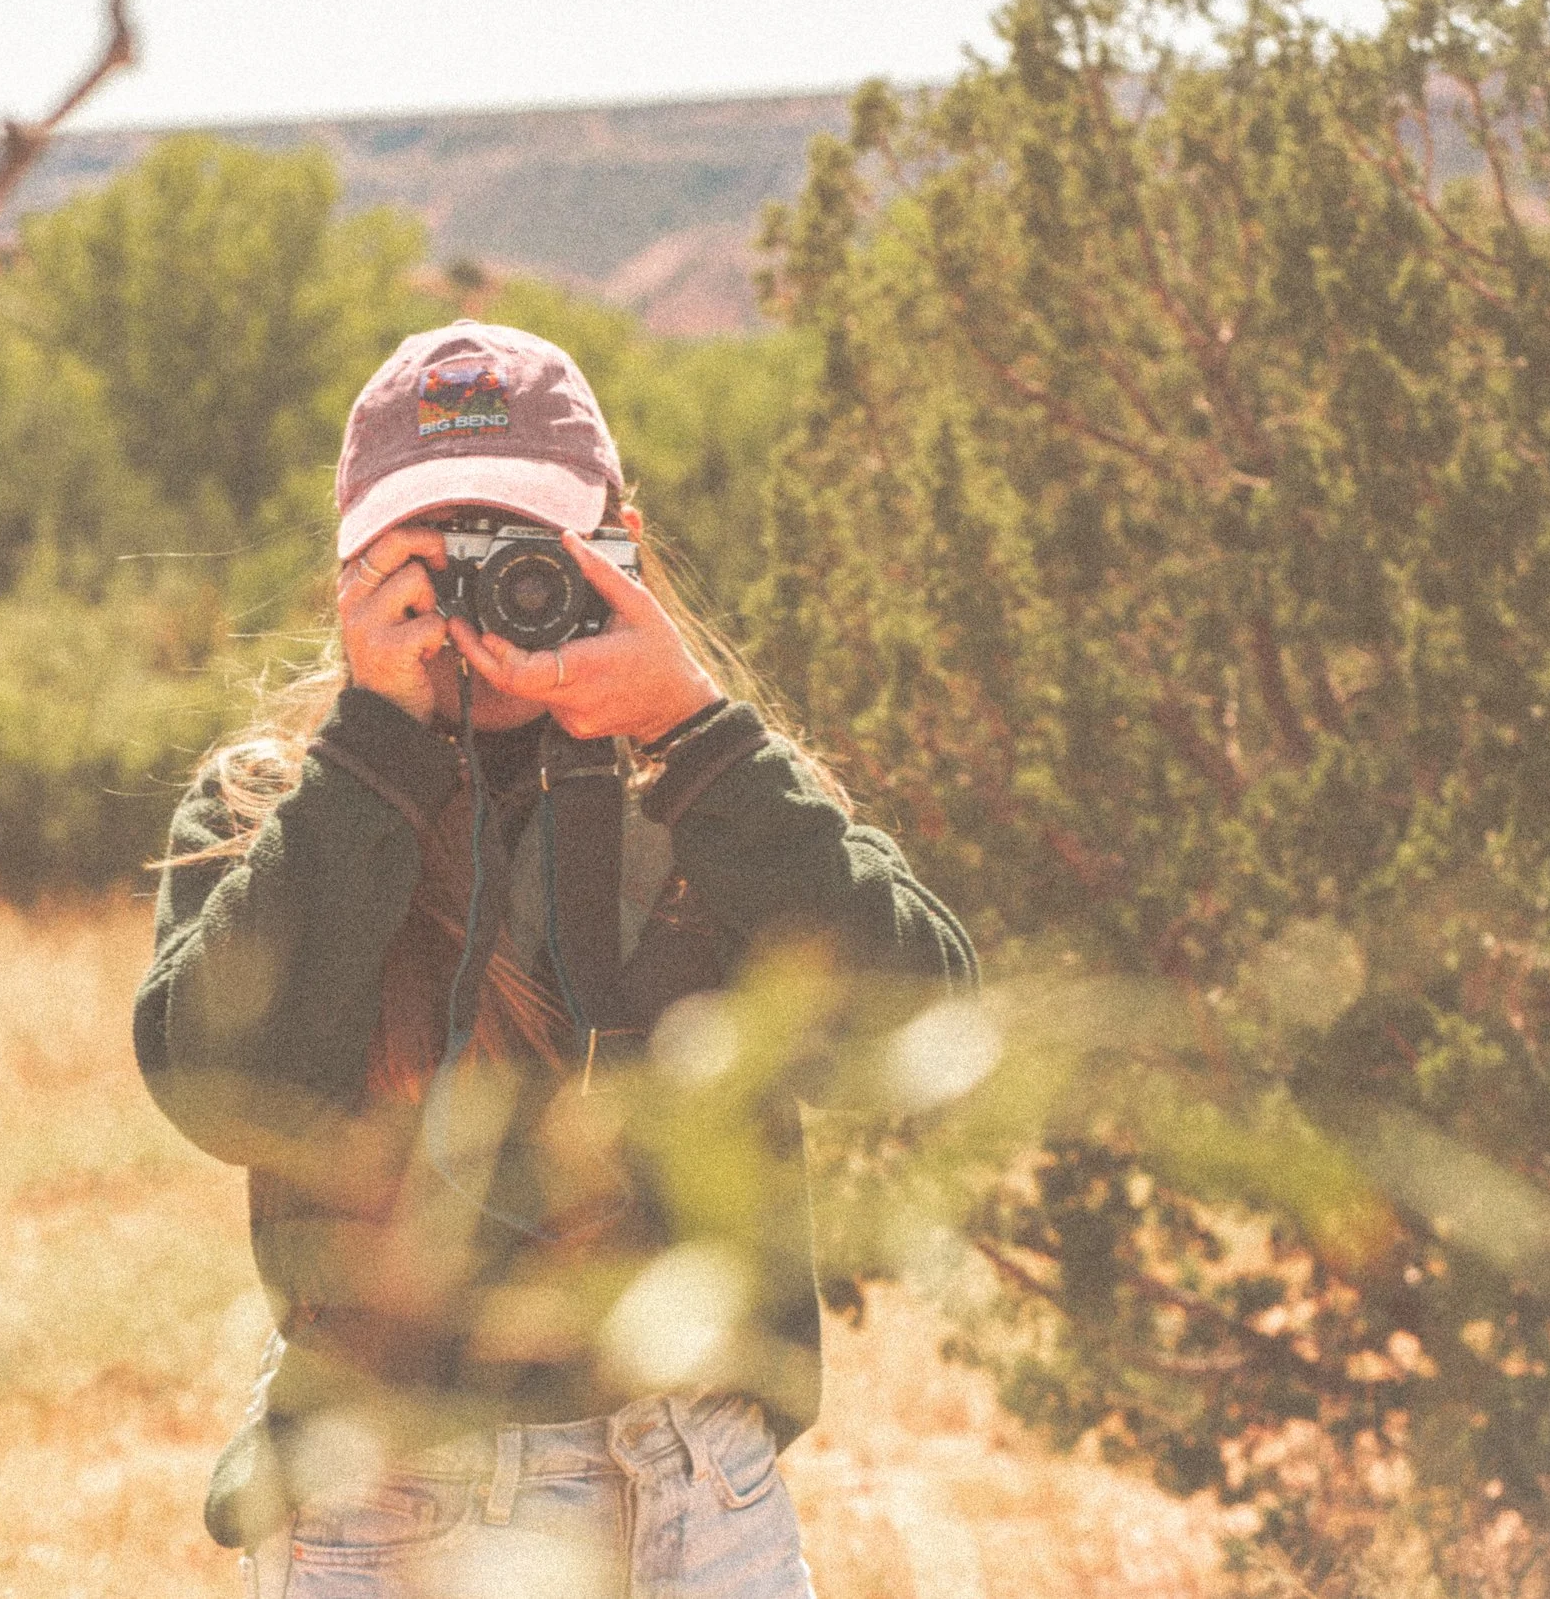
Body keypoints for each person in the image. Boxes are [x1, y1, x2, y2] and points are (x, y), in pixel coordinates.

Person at [133, 321, 977, 1599]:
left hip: (692, 1477)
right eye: (434, 556)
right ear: (355, 572)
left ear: (616, 543)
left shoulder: (705, 796)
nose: (486, 596)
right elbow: (219, 1090)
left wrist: (690, 732)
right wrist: (374, 757)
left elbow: (915, 1042)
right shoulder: (273, 810)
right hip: (382, 1488)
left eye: (522, 547)